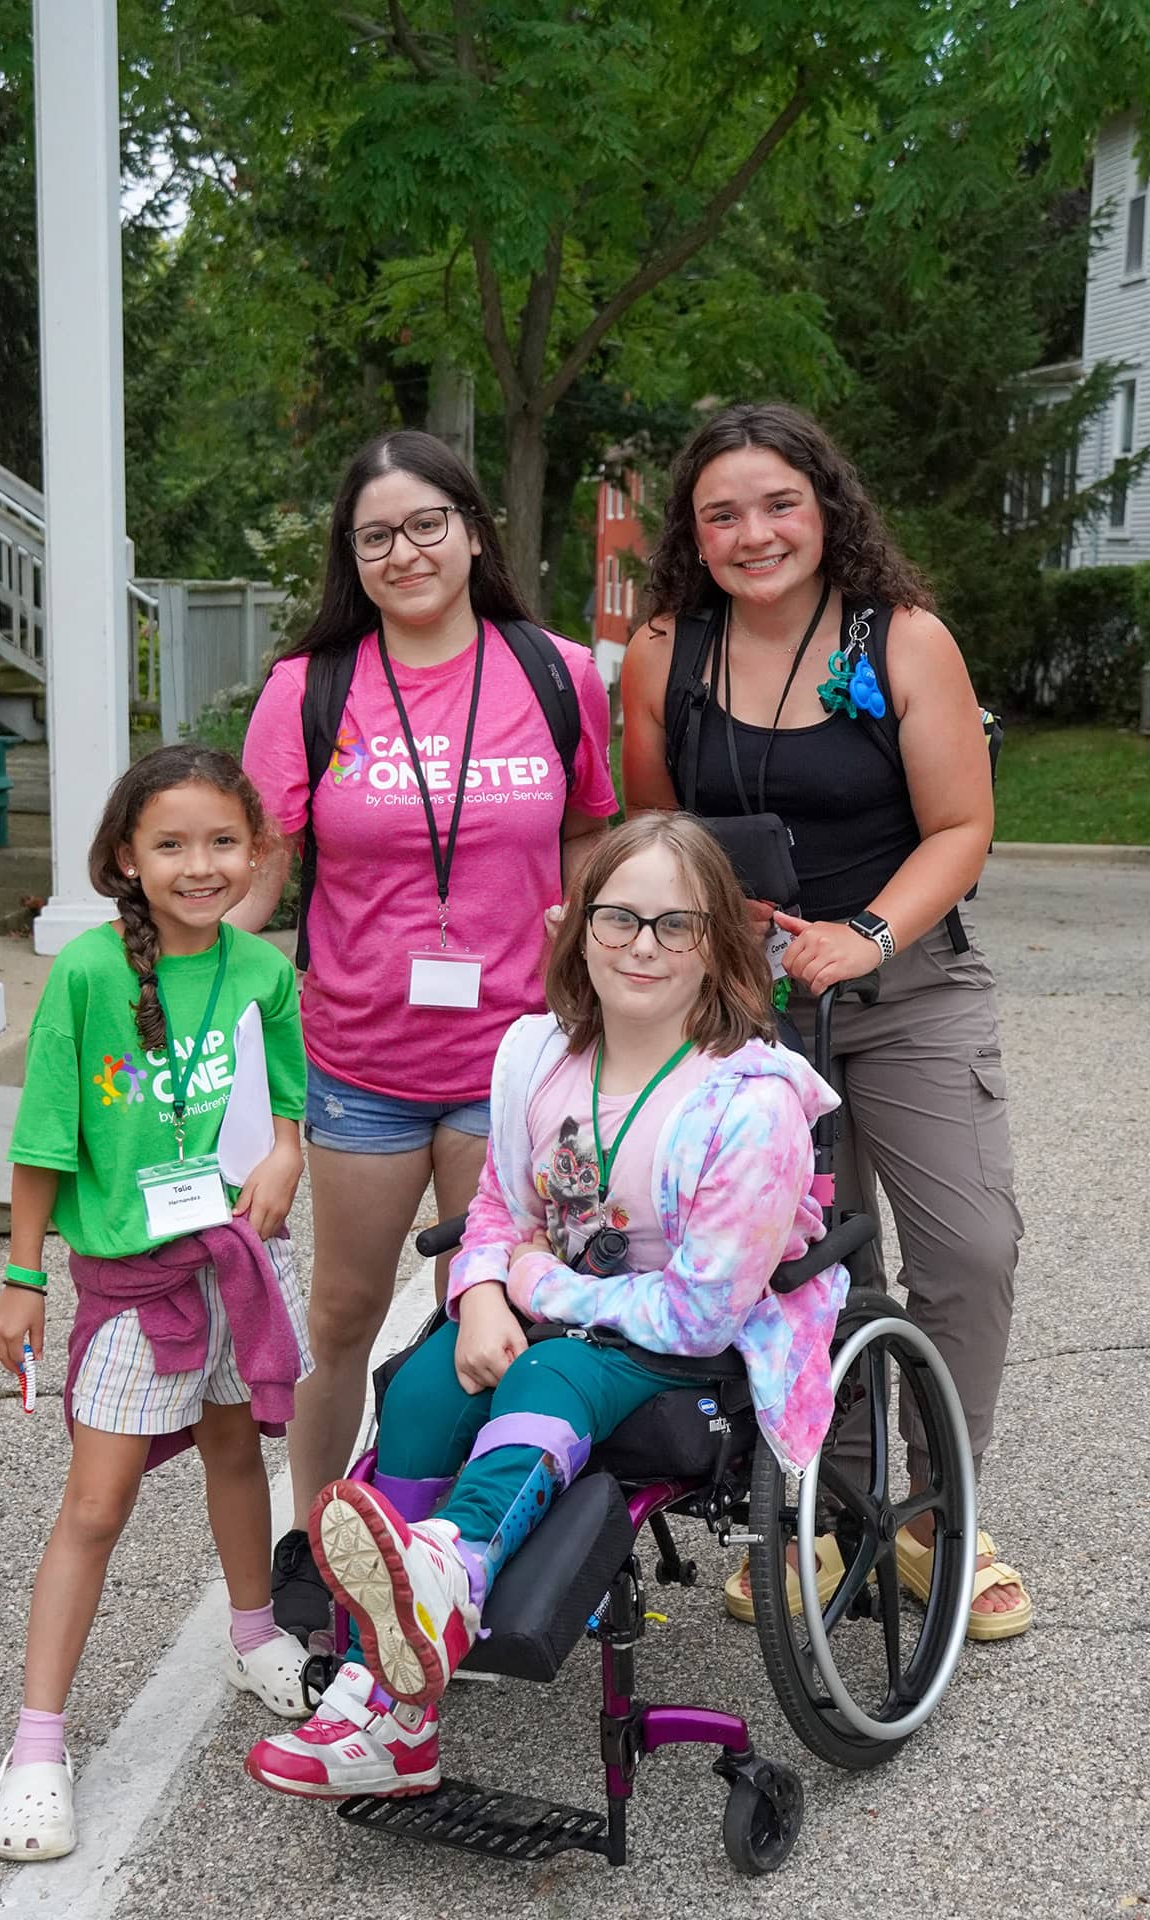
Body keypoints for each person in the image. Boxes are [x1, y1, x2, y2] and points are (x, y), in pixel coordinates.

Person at [243, 813, 848, 1799]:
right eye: (619, 920)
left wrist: (528, 1284)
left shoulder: (751, 1103)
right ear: (575, 928)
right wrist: (481, 1292)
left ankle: (451, 1571)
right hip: (551, 1307)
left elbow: (699, 1313)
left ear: (716, 945)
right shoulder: (538, 1056)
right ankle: (385, 1707)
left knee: (550, 1370)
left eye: (676, 925)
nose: (643, 947)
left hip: (683, 1340)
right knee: (426, 1386)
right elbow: (498, 1210)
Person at [620, 402, 1030, 1640]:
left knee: (968, 1252)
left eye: (778, 504)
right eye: (721, 515)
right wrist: (704, 916)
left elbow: (960, 825)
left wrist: (866, 935)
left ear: (826, 507)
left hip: (905, 990)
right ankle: (830, 1510)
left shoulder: (899, 639)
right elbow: (655, 835)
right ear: (691, 535)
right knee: (812, 1268)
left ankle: (936, 1517)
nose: (753, 534)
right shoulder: (664, 654)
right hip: (748, 1016)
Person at [235, 430, 617, 1647]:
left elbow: (588, 837)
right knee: (343, 1316)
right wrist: (165, 975)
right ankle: (323, 1547)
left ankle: (470, 1548)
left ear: (471, 529)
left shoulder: (556, 673)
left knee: (497, 1314)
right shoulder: (309, 689)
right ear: (351, 557)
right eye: (375, 536)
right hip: (358, 1063)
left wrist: (590, 959)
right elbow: (260, 869)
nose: (404, 552)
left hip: (515, 1066)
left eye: (425, 524)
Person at [0, 746, 313, 1862]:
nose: (199, 865)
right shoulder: (85, 975)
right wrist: (23, 1278)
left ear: (258, 852)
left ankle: (255, 1634)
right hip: (135, 1285)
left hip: (235, 1266)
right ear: (126, 857)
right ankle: (37, 1746)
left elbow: (285, 1102)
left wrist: (285, 1151)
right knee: (96, 1503)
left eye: (223, 841)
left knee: (235, 1453)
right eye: (170, 844)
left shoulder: (262, 971)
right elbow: (42, 1140)